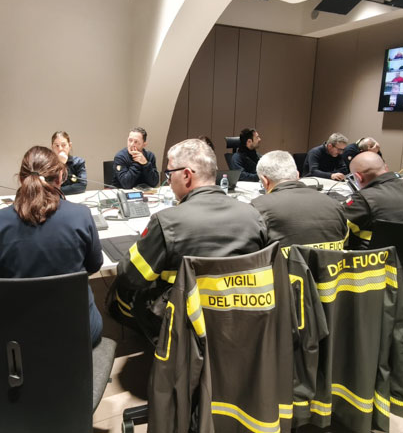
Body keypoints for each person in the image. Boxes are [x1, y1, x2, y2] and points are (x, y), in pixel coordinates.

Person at [111, 139, 267, 342]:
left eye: (169, 174)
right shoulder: (254, 216)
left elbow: (130, 275)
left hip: (185, 322)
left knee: (121, 291)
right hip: (243, 315)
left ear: (186, 175)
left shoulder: (166, 222)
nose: (168, 181)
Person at [0, 146, 103, 346]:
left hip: (20, 336)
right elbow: (94, 265)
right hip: (80, 332)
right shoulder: (81, 215)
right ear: (60, 178)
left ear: (21, 179)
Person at [251, 150, 347, 250]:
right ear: (297, 175)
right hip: (331, 260)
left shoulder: (257, 208)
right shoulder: (336, 205)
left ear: (265, 181)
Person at [343, 152, 403, 250]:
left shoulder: (363, 199)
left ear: (358, 177)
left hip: (377, 258)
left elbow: (336, 222)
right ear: (386, 168)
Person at [51, 131, 86, 195]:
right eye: (57, 145)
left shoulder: (78, 162)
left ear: (69, 146)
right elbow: (48, 186)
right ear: (52, 147)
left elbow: (82, 185)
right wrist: (61, 164)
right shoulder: (48, 164)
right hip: (56, 199)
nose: (60, 149)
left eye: (63, 145)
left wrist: (57, 190)